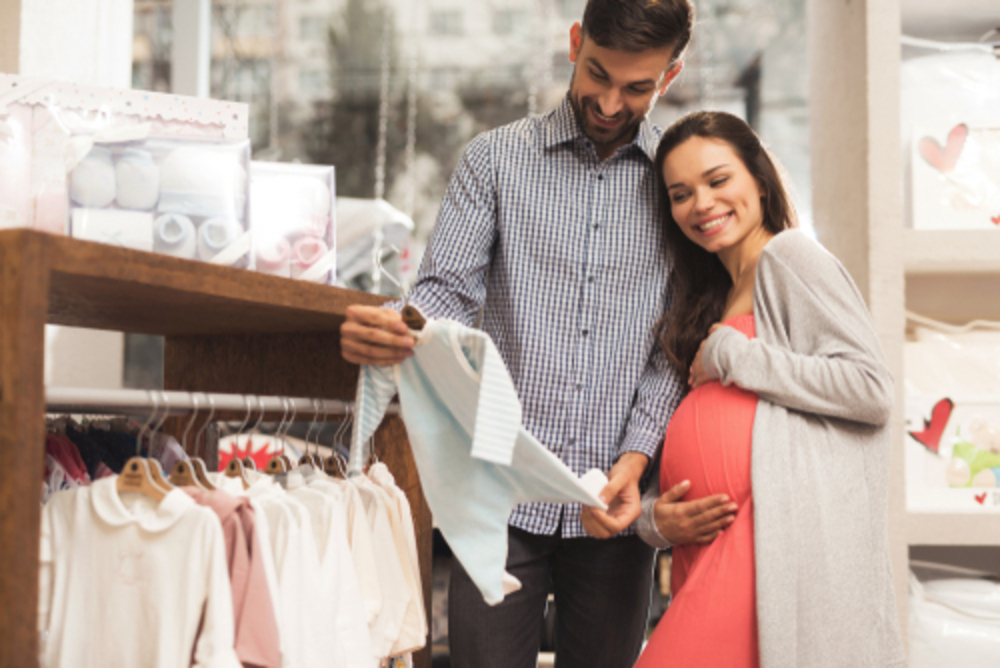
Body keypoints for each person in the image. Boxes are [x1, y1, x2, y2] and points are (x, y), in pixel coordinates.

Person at [340, 2, 742, 666]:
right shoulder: (494, 161)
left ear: (668, 78)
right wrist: (396, 329)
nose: (611, 102)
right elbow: (444, 300)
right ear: (576, 43)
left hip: (613, 504)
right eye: (598, 74)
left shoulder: (679, 187)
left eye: (637, 87)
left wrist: (636, 459)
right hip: (497, 498)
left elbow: (676, 345)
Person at [627, 111, 905, 667]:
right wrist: (655, 520)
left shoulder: (790, 257)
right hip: (710, 552)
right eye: (680, 194)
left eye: (717, 180)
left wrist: (732, 353)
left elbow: (870, 389)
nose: (700, 204)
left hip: (763, 546)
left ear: (758, 176)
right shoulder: (713, 294)